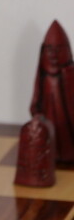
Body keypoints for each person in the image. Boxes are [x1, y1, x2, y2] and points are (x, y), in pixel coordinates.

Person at [30, 20, 74, 163]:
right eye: (49, 49)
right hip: (48, 120)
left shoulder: (69, 75)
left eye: (58, 49)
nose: (53, 55)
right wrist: (36, 112)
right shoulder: (43, 77)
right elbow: (36, 99)